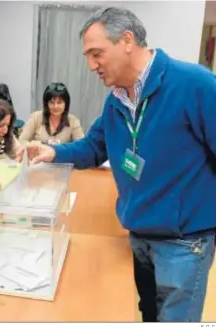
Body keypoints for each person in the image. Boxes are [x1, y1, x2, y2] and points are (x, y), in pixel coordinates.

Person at [17, 7, 216, 322]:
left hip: (183, 241)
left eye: (96, 54)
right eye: (87, 56)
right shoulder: (116, 100)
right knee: (148, 313)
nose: (91, 65)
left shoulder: (196, 85)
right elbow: (94, 147)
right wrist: (53, 153)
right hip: (139, 234)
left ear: (127, 40)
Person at [19, 82, 84, 145]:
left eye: (59, 102)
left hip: (63, 156)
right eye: (52, 102)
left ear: (66, 104)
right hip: (39, 155)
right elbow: (22, 140)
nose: (56, 107)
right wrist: (36, 147)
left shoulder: (73, 121)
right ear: (46, 104)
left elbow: (81, 146)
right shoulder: (36, 117)